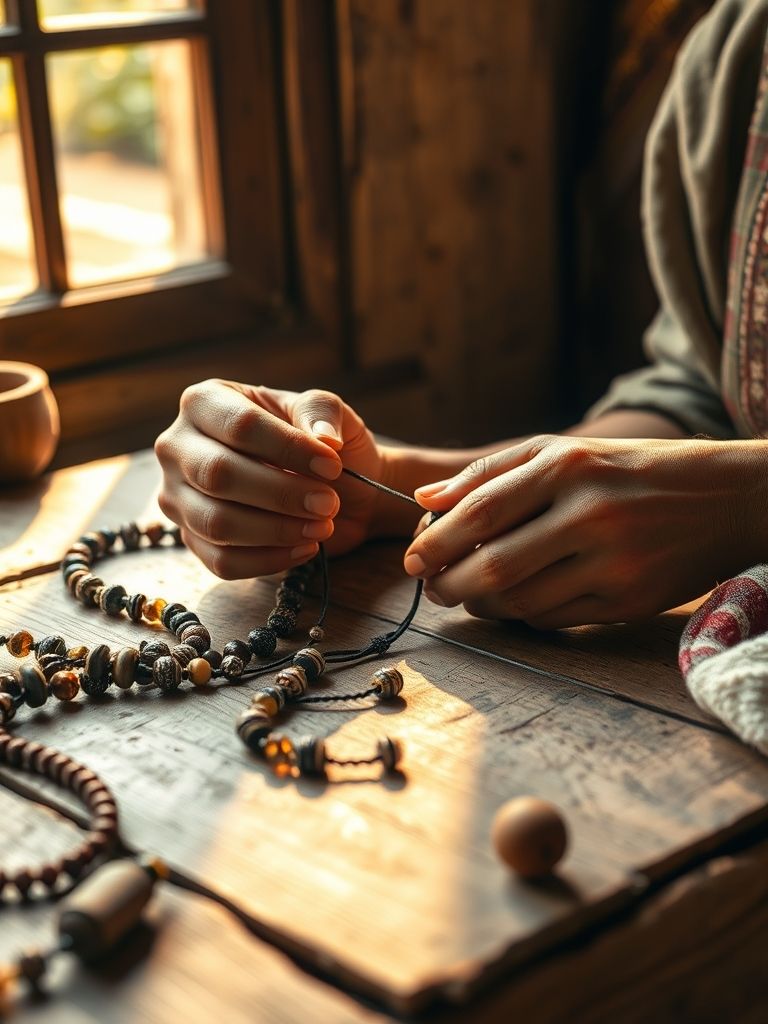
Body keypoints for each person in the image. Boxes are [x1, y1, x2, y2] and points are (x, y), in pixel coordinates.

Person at [155, 0, 768, 630]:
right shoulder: (736, 57)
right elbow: (702, 394)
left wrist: (747, 503)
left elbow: (717, 477)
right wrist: (387, 485)